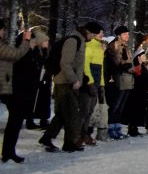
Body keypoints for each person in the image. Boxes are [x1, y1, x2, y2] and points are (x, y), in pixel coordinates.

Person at [40, 22, 93, 153]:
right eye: (93, 33)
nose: (93, 37)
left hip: (67, 82)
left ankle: (47, 137)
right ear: (87, 31)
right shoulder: (74, 41)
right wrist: (74, 80)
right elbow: (65, 62)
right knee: (71, 114)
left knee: (63, 114)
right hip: (65, 82)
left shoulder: (78, 40)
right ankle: (69, 143)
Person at [1, 27, 33, 163]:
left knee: (15, 119)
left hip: (6, 87)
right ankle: (8, 152)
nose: (3, 31)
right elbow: (16, 54)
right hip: (4, 87)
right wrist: (26, 40)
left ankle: (9, 152)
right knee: (15, 119)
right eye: (2, 29)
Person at [80, 24, 106, 146]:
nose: (102, 35)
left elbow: (100, 68)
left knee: (90, 110)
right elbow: (86, 65)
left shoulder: (100, 47)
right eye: (99, 32)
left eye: (102, 33)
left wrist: (101, 83)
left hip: (96, 83)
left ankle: (84, 134)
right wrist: (90, 81)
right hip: (88, 83)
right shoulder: (89, 46)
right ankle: (79, 134)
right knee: (85, 110)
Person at [107, 26, 133, 139]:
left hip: (127, 79)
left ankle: (117, 127)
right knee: (115, 105)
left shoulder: (126, 47)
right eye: (124, 34)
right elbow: (116, 62)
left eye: (127, 34)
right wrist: (126, 65)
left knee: (121, 106)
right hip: (119, 79)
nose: (127, 36)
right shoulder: (115, 46)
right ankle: (111, 128)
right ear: (119, 35)